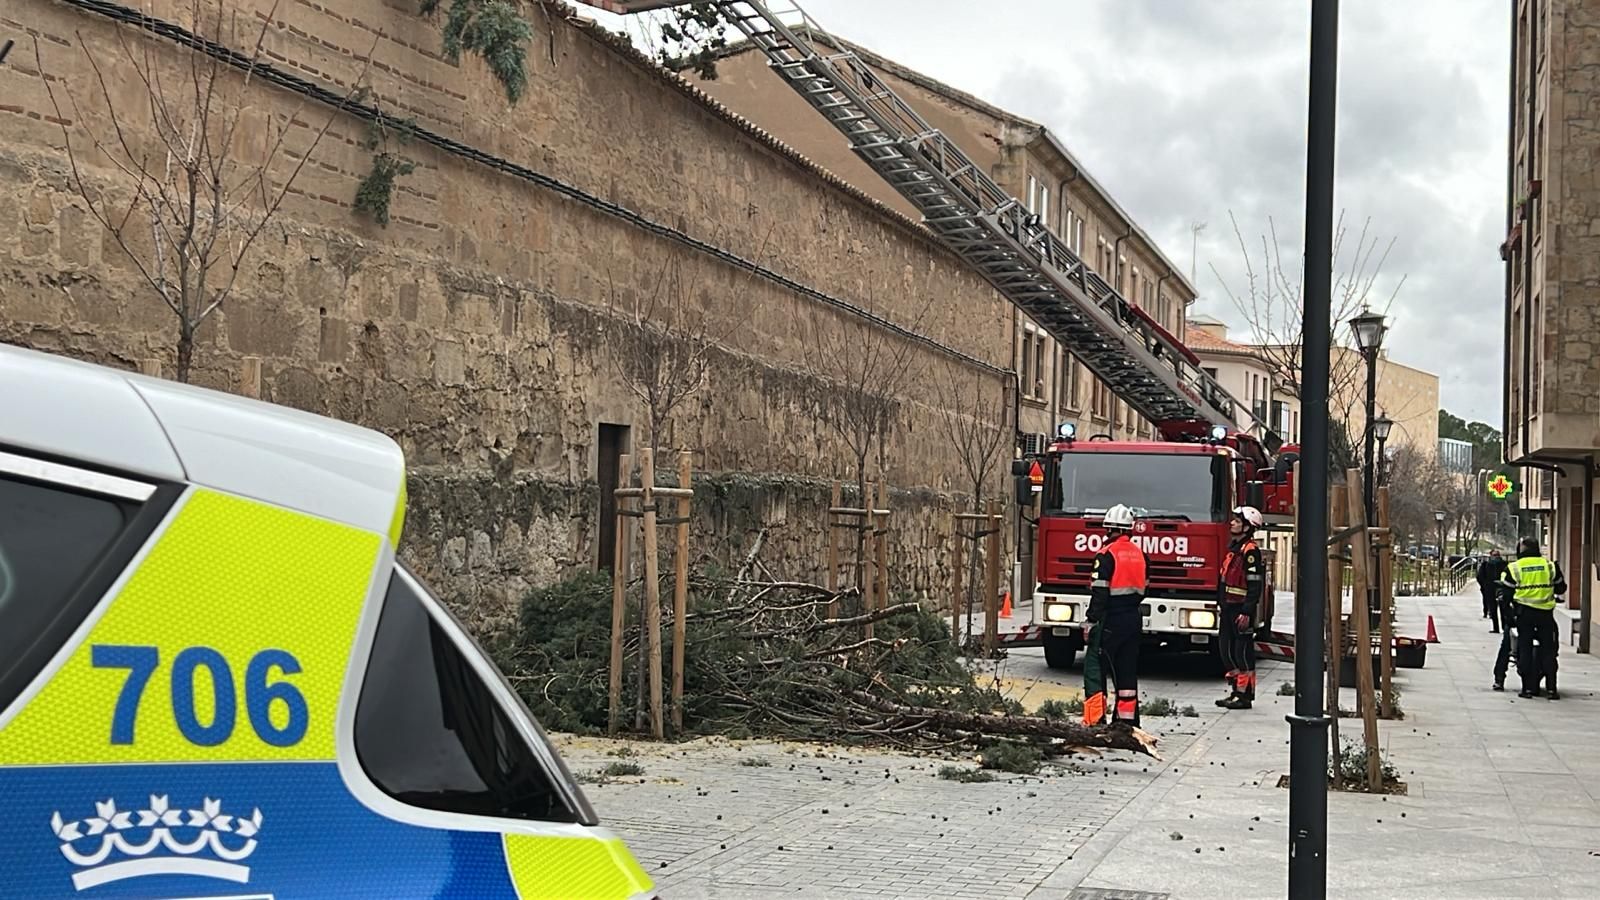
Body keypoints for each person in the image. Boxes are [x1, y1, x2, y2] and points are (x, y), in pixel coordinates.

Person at [1082, 503, 1147, 728]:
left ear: (1110, 529)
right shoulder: (1140, 554)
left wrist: (1091, 620)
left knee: (1096, 668)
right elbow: (1145, 587)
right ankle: (1126, 723)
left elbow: (1100, 592)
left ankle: (1095, 720)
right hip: (1133, 617)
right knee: (1126, 670)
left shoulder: (1106, 554)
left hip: (1110, 619)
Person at [1500, 537, 1567, 700]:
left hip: (1524, 614)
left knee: (1524, 650)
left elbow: (1506, 595)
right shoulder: (1550, 566)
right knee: (1549, 651)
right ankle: (1552, 689)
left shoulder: (1514, 568)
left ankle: (1527, 689)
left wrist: (1508, 617)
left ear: (1521, 550)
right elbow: (1561, 587)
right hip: (1545, 614)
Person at [1216, 506, 1266, 710]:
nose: (1232, 523)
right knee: (1226, 650)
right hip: (1229, 607)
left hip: (1241, 610)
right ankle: (1236, 691)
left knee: (1242, 652)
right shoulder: (1234, 549)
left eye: (1237, 521)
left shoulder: (1250, 551)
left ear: (1247, 527)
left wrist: (1247, 611)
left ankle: (1245, 696)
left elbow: (1255, 585)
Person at [1477, 549, 1509, 632]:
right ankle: (1498, 627)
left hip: (1499, 588)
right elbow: (1480, 576)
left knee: (1501, 609)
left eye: (1496, 555)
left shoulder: (1504, 565)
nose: (1495, 557)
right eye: (1494, 555)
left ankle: (1501, 627)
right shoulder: (1487, 565)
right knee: (1495, 609)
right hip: (1493, 588)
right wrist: (1484, 585)